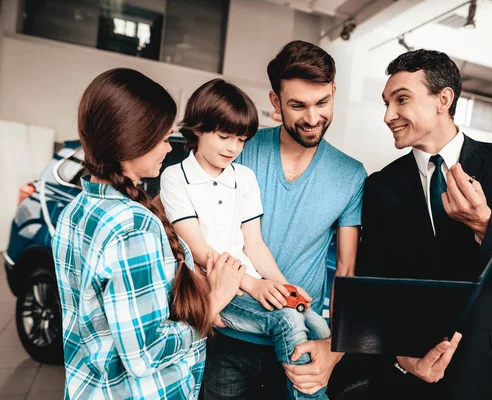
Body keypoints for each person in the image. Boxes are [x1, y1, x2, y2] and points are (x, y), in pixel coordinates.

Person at [356, 49, 492, 400]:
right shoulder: (381, 185)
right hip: (413, 382)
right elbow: (372, 289)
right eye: (386, 103)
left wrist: (487, 223)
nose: (388, 115)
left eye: (401, 100)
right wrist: (400, 359)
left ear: (443, 99)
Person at [51, 68, 245, 399]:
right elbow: (146, 353)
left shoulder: (76, 209)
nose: (169, 149)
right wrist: (214, 302)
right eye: (163, 138)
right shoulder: (133, 227)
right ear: (132, 138)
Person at [201, 40, 368, 399]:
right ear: (275, 103)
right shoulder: (239, 150)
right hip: (228, 337)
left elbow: (346, 270)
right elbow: (200, 230)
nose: (312, 117)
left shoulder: (351, 175)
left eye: (322, 102)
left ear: (334, 91)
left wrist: (334, 352)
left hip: (298, 345)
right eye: (298, 105)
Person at [158, 78, 332, 400]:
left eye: (240, 140)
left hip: (249, 280)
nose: (232, 148)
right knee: (288, 319)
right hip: (214, 286)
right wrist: (254, 286)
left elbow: (254, 244)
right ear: (197, 128)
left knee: (318, 325)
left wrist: (284, 286)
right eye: (224, 137)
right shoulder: (175, 178)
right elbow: (199, 250)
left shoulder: (244, 177)